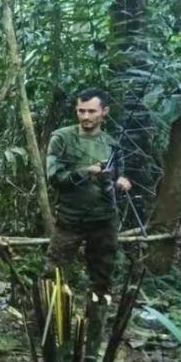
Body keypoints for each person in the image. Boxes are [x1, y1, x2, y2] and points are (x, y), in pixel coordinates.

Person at [44, 88, 131, 298]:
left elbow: (119, 176)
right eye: (81, 111)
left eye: (91, 111)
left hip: (104, 220)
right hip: (70, 219)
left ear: (104, 111)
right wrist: (85, 171)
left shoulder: (112, 144)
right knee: (51, 276)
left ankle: (95, 327)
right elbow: (54, 177)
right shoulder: (62, 138)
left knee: (102, 282)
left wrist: (122, 182)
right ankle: (45, 325)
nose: (85, 116)